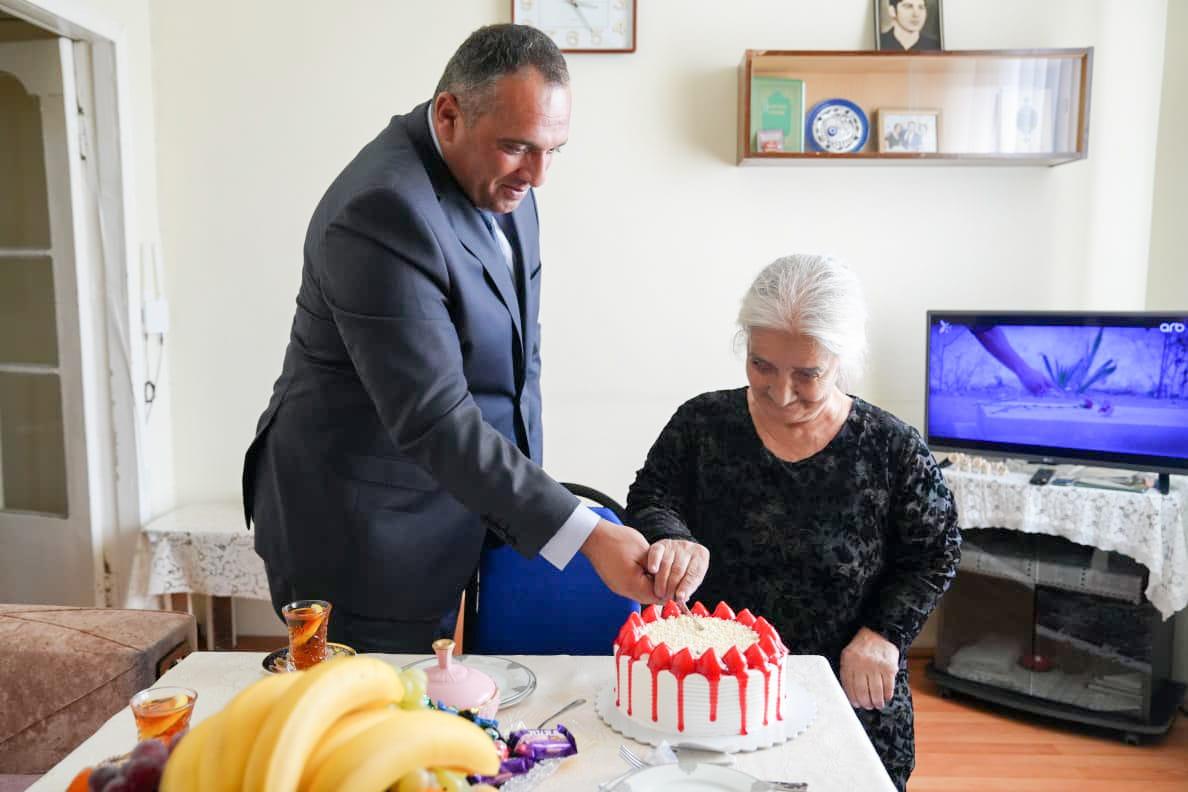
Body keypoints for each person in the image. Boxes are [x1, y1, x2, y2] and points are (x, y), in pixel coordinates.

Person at [243, 24, 703, 653]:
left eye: (553, 150)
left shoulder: (505, 179)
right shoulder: (381, 210)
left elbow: (516, 361)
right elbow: (435, 417)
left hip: (455, 504)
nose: (538, 175)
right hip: (363, 529)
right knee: (376, 708)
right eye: (518, 147)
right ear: (449, 115)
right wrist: (584, 534)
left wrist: (519, 510)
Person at [625, 254, 961, 791]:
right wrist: (672, 536)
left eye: (807, 374)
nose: (781, 393)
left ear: (841, 359)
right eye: (761, 366)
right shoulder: (702, 424)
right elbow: (650, 496)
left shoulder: (893, 449)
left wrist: (884, 633)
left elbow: (935, 552)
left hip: (846, 687)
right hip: (715, 692)